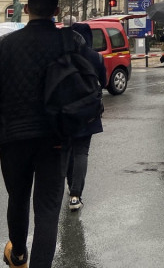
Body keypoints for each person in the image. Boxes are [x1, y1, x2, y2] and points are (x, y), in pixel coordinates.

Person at [0, 0, 98, 268]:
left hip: (14, 136)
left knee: (17, 197)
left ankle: (17, 253)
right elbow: (95, 73)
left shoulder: (2, 45)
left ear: (26, 9)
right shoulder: (71, 41)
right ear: (57, 10)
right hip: (56, 135)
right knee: (48, 210)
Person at [65, 22, 106, 212]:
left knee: (67, 150)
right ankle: (75, 195)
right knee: (81, 152)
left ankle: (69, 184)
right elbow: (104, 82)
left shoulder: (62, 56)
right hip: (88, 110)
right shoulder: (96, 57)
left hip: (64, 110)